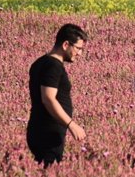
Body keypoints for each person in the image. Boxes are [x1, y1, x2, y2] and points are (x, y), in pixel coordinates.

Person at [26, 23, 88, 166]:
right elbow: (48, 98)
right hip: (48, 133)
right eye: (78, 48)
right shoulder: (53, 66)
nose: (80, 54)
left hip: (39, 129)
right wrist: (71, 124)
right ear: (66, 44)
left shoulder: (40, 62)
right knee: (50, 173)